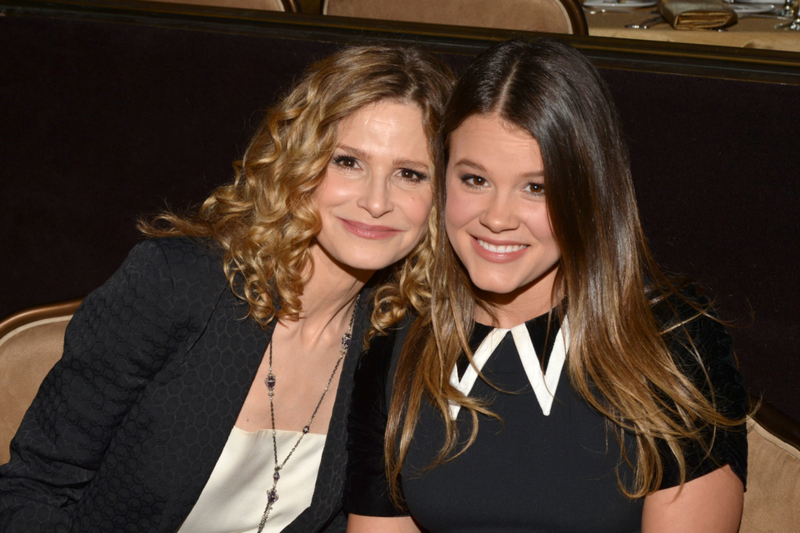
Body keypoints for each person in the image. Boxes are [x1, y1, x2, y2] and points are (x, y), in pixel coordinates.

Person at [0, 44, 453, 532]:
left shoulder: (399, 345)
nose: (377, 200)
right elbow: (31, 490)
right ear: (300, 162)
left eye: (410, 174)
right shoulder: (177, 283)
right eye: (347, 162)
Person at [344, 39, 748, 533]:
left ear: (588, 193)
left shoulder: (672, 341)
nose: (496, 218)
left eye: (536, 187)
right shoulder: (397, 349)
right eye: (475, 180)